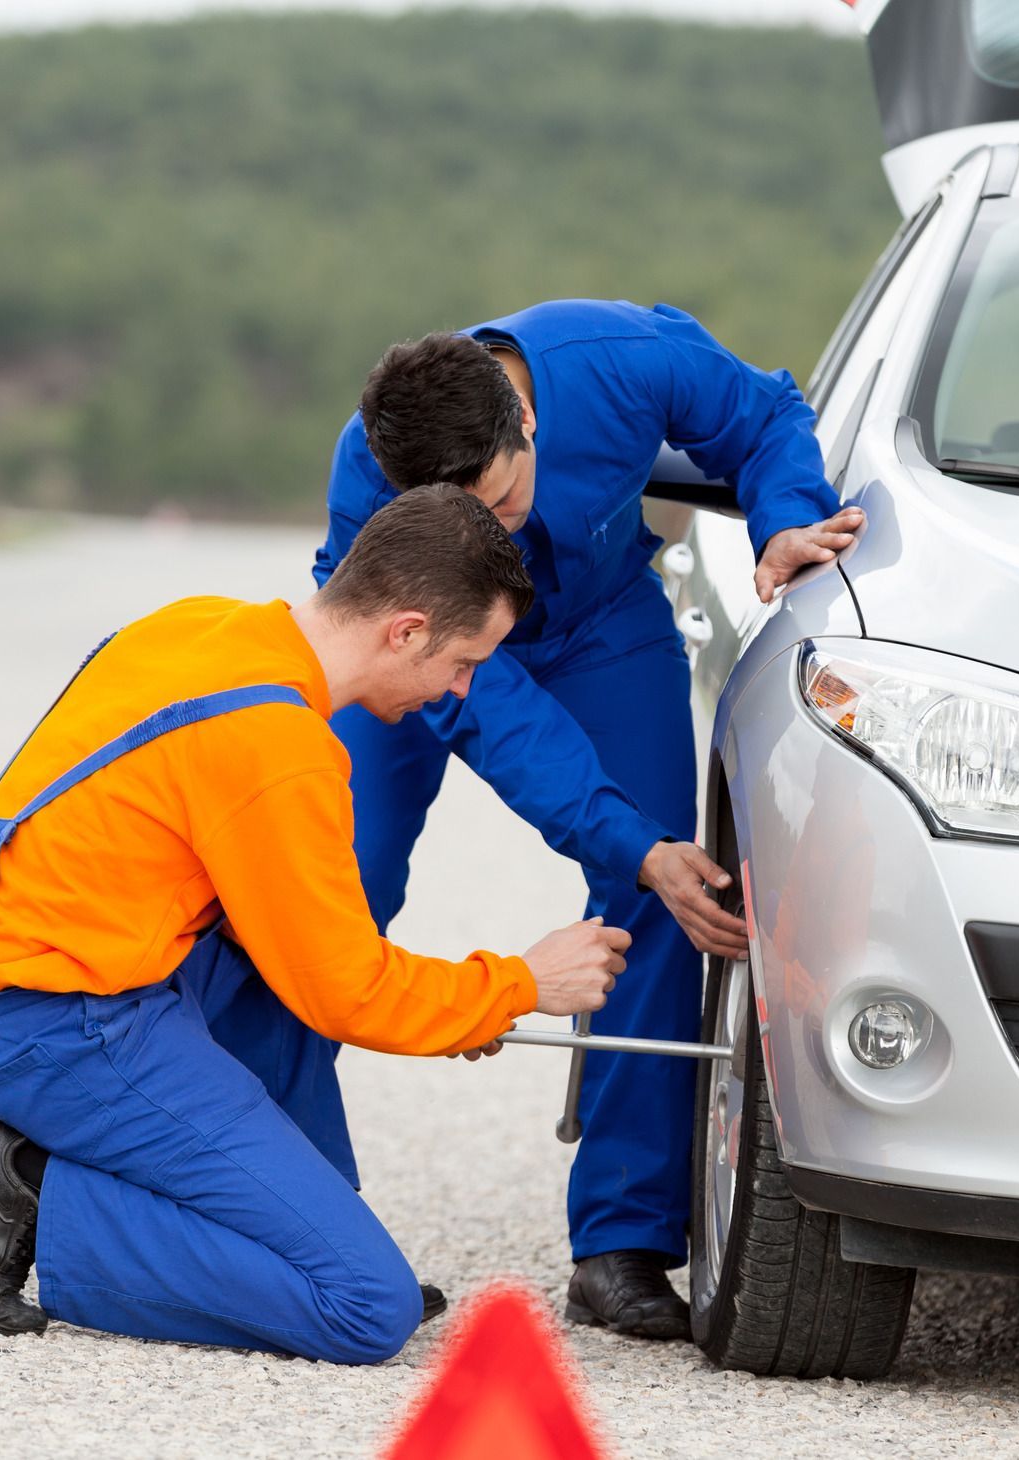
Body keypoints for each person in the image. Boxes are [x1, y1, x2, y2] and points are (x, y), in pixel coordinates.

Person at [0, 485, 630, 1364]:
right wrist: (523, 983)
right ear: (404, 630)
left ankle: (295, 1234)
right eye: (464, 661)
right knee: (365, 1306)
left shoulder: (205, 626)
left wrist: (461, 1009)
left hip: (4, 960)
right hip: (55, 1024)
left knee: (274, 975)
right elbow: (349, 992)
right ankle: (29, 1186)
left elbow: (312, 956)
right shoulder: (276, 746)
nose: (462, 688)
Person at [315, 302, 865, 1340]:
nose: (500, 533)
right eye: (470, 525)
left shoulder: (626, 360)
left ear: (526, 422)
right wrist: (618, 835)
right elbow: (488, 709)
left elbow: (764, 414)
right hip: (417, 651)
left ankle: (619, 1241)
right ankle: (282, 1194)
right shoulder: (369, 469)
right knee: (328, 891)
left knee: (671, 882)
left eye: (506, 502)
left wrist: (785, 509)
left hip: (601, 624)